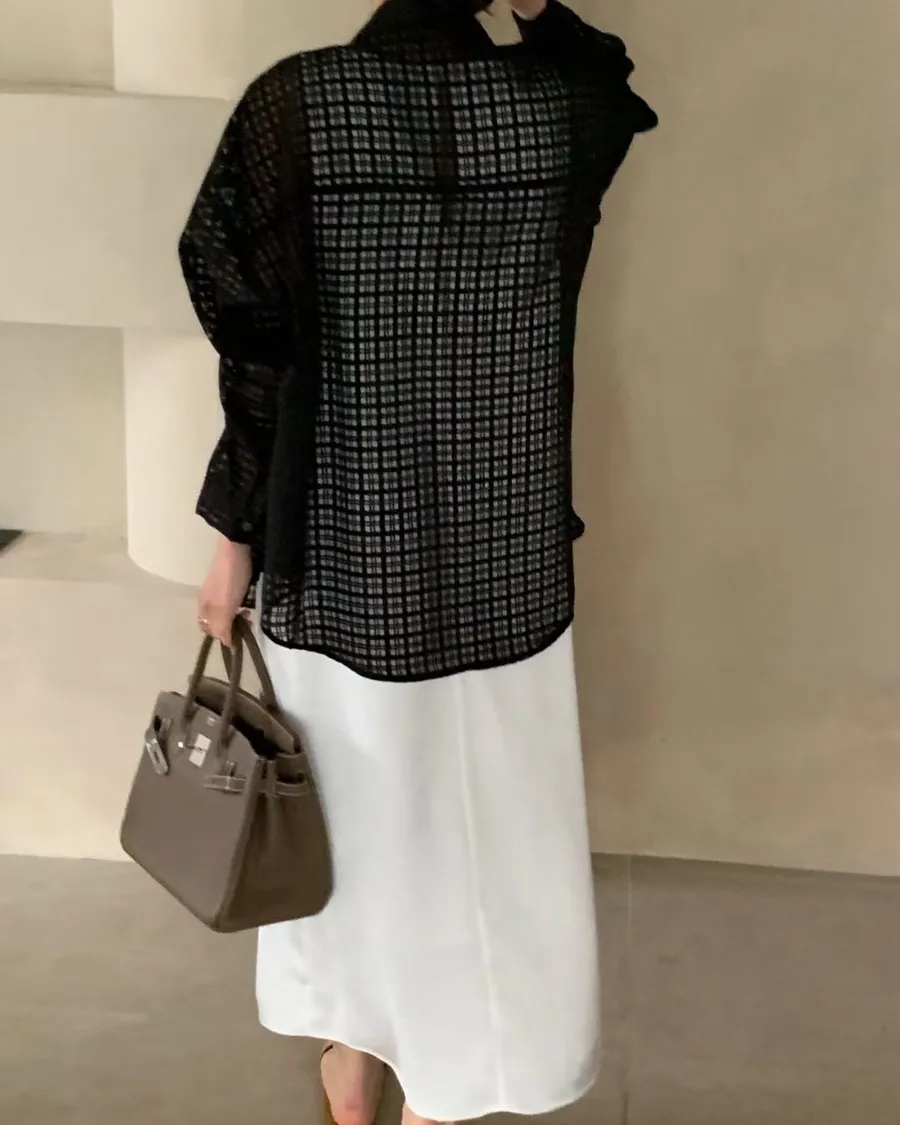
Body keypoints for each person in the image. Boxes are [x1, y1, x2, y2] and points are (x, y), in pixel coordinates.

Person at [179, 1, 656, 1122]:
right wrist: (537, 11)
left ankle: (354, 1066)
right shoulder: (554, 108)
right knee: (491, 831)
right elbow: (616, 85)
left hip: (342, 548)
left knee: (347, 814)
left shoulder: (296, 105)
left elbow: (256, 353)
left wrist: (231, 538)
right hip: (506, 555)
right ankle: (448, 1082)